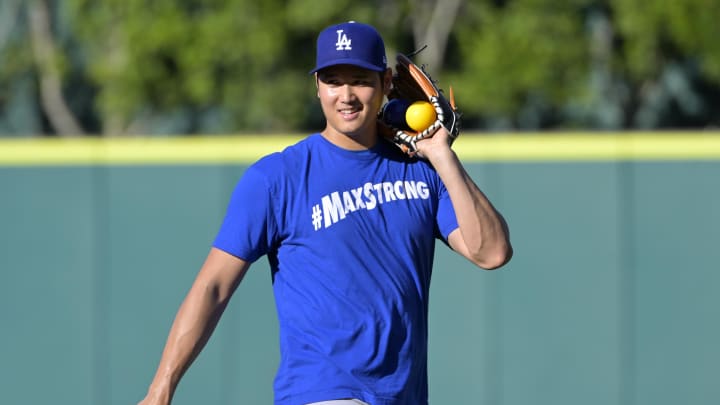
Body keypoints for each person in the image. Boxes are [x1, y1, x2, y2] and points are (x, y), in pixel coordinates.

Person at [137, 21, 512, 405]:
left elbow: (492, 252)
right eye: (333, 80)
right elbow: (213, 286)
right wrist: (161, 387)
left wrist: (442, 155)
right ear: (317, 86)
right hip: (322, 393)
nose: (346, 95)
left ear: (385, 83)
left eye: (360, 79)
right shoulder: (277, 178)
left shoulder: (421, 171)